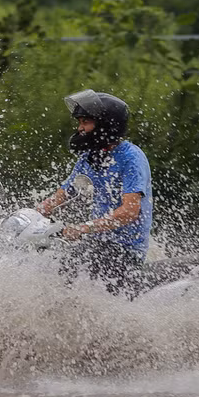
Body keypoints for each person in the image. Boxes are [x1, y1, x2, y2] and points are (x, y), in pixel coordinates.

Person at [36, 89, 153, 296]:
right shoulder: (90, 156)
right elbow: (64, 193)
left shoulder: (131, 158)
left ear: (106, 124)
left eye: (85, 122)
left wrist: (83, 228)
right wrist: (34, 214)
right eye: (79, 122)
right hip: (96, 244)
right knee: (47, 261)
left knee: (66, 273)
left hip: (124, 251)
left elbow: (130, 211)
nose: (80, 128)